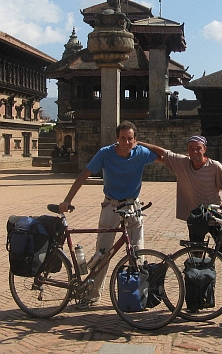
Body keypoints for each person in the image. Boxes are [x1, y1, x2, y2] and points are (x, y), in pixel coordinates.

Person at [138, 134, 222, 314]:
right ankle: (196, 298)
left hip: (215, 217)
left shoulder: (215, 167)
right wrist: (136, 142)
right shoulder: (182, 163)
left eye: (198, 148)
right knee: (196, 259)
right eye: (191, 149)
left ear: (205, 149)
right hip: (196, 218)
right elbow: (161, 153)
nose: (195, 152)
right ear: (187, 150)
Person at [58, 120, 160, 309]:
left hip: (132, 208)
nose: (126, 142)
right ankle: (92, 295)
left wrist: (143, 144)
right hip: (110, 206)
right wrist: (67, 200)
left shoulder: (141, 153)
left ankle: (138, 296)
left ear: (135, 140)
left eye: (130, 139)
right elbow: (83, 175)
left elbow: (163, 156)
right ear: (117, 138)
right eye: (123, 138)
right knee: (102, 253)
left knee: (137, 253)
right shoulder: (105, 153)